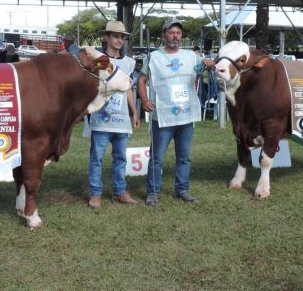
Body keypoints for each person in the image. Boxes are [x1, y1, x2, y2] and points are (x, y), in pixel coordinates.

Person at [137, 18, 215, 206]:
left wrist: (208, 63)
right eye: (171, 32)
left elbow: (205, 66)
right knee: (157, 157)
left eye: (178, 33)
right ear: (164, 35)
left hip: (186, 116)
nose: (175, 36)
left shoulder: (191, 57)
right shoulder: (154, 57)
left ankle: (182, 190)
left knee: (184, 156)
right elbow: (141, 81)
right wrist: (145, 100)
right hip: (162, 116)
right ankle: (153, 192)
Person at [87, 21, 140, 208]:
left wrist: (134, 113)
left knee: (120, 157)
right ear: (107, 38)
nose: (119, 40)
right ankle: (95, 193)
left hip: (122, 118)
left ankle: (119, 191)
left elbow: (129, 91)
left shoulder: (128, 63)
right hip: (101, 118)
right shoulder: (99, 60)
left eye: (122, 37)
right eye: (116, 36)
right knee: (97, 158)